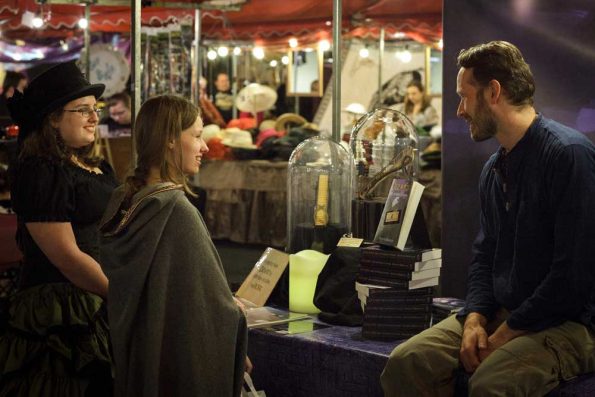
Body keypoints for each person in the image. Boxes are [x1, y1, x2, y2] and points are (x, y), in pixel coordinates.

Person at [381, 40, 595, 396]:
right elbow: (485, 255)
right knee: (409, 361)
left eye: (465, 96)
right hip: (507, 311)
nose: (460, 110)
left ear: (493, 92)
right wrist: (475, 318)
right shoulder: (494, 169)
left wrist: (507, 333)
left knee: (493, 383)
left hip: (573, 322)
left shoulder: (569, 155)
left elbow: (574, 277)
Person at [99, 95, 248, 397]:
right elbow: (210, 307)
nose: (205, 147)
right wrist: (236, 312)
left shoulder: (123, 199)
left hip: (136, 354)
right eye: (196, 136)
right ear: (169, 140)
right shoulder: (175, 212)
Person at [0, 61, 117, 395]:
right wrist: (118, 294)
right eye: (83, 110)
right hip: (61, 306)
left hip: (99, 291)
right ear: (52, 118)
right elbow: (66, 257)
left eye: (96, 109)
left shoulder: (93, 165)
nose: (95, 117)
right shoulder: (41, 171)